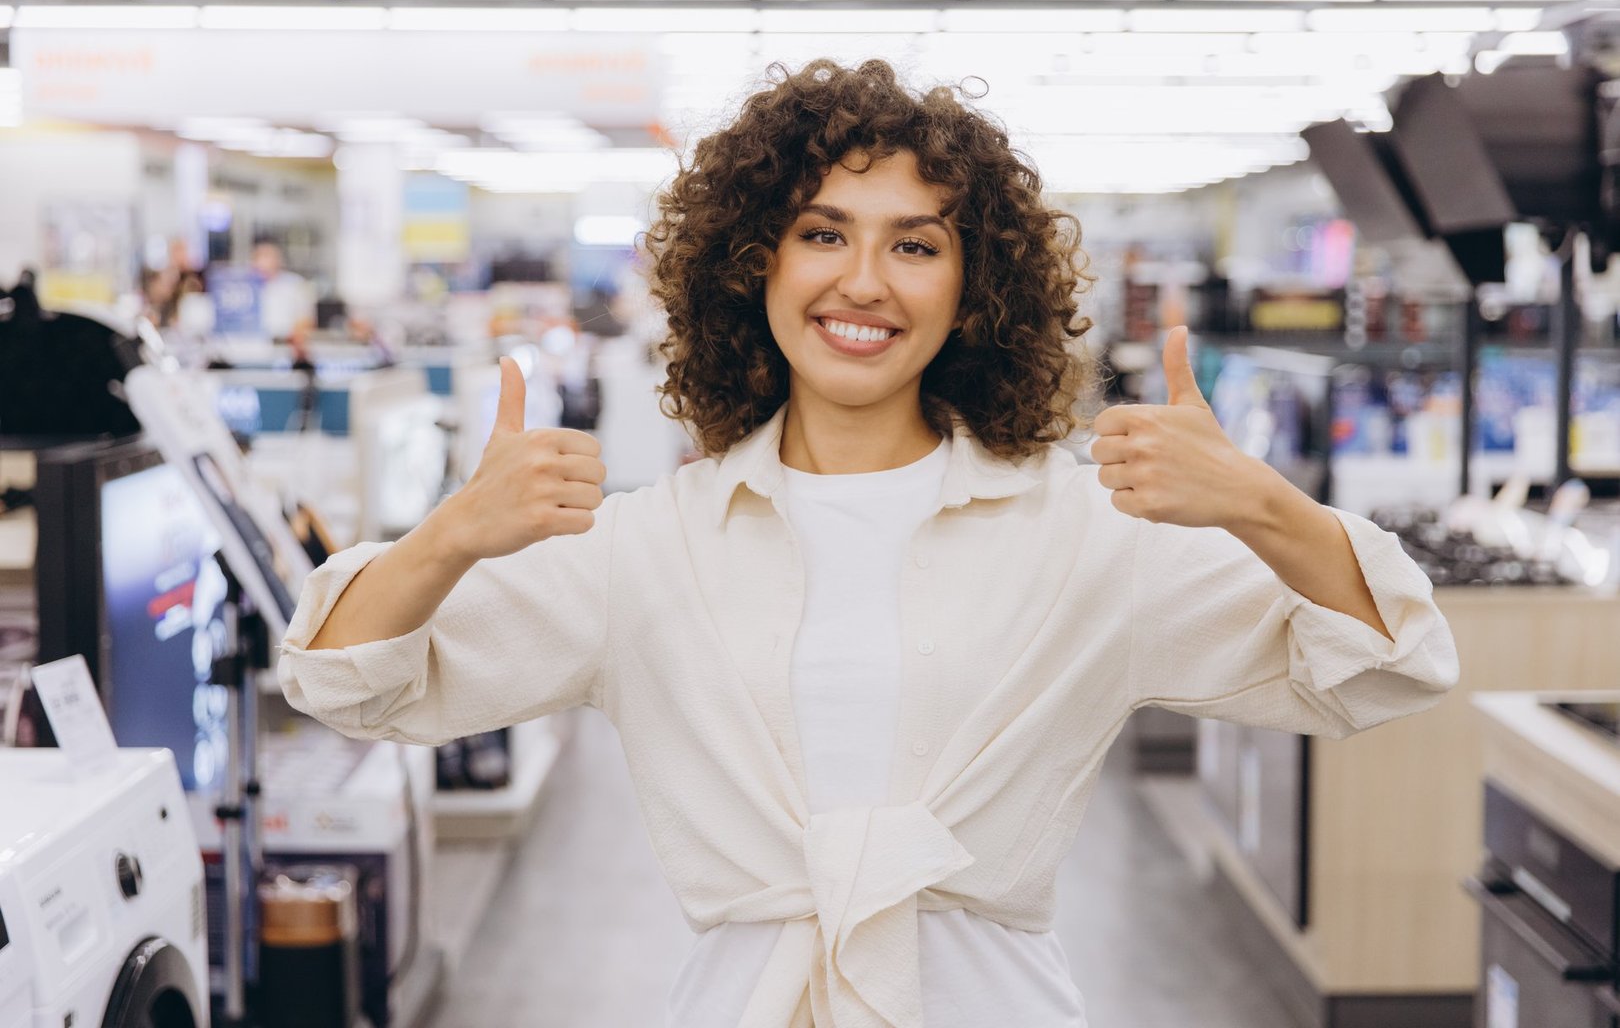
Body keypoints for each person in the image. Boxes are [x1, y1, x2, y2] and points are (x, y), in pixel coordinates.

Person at [278, 60, 1458, 1028]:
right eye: (821, 233)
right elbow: (346, 681)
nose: (862, 281)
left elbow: (1386, 663)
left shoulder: (1084, 537)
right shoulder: (652, 548)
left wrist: (1260, 505)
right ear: (755, 265)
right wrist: (449, 539)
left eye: (915, 243)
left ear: (972, 284)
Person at [250, 237, 316, 343]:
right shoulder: (245, 287)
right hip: (251, 345)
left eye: (267, 256)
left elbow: (306, 320)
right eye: (258, 256)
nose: (263, 262)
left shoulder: (295, 284)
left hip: (285, 346)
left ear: (278, 259)